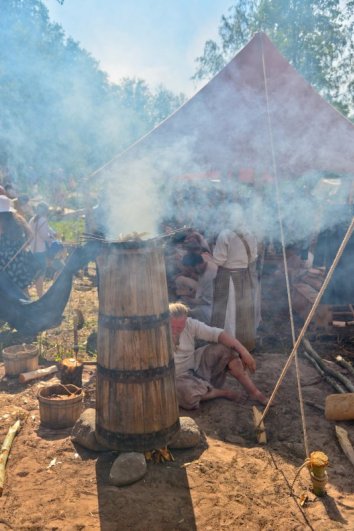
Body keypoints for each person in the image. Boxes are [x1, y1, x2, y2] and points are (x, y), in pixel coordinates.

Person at [169, 302, 267, 410]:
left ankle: (253, 391)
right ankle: (223, 393)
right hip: (177, 378)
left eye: (180, 326)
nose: (175, 330)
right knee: (185, 391)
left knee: (225, 349)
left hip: (195, 367)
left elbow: (218, 334)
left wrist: (244, 352)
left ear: (185, 320)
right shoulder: (159, 331)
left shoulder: (190, 324)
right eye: (172, 326)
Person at [211, 226, 258, 351]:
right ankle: (244, 344)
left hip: (228, 278)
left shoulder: (225, 234)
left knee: (228, 312)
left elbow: (219, 260)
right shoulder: (250, 232)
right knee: (244, 312)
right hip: (245, 276)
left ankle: (227, 343)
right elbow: (253, 257)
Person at [0, 194, 34, 291]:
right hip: (19, 261)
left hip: (3, 263)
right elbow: (31, 235)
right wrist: (22, 248)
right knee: (22, 291)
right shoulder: (18, 220)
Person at [179, 253, 217, 324]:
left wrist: (190, 300)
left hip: (213, 308)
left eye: (192, 269)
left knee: (191, 311)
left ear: (197, 265)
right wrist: (191, 294)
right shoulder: (203, 269)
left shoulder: (210, 275)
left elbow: (207, 301)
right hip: (204, 302)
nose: (192, 273)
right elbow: (201, 286)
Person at [29, 202, 57, 297]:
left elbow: (47, 229)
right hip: (40, 250)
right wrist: (52, 237)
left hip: (32, 249)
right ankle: (40, 295)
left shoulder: (33, 219)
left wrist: (53, 232)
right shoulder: (43, 220)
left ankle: (39, 293)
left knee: (37, 273)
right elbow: (45, 236)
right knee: (40, 274)